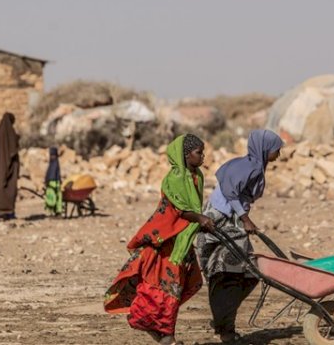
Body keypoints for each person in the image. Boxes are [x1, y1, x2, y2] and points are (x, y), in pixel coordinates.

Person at [104, 134, 216, 345]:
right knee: (166, 290)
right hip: (165, 242)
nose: (203, 157)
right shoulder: (173, 179)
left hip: (182, 241)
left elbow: (192, 209)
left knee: (179, 287)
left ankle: (164, 336)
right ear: (185, 155)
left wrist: (199, 224)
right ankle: (166, 336)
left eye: (203, 152)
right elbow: (180, 210)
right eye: (198, 152)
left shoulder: (197, 176)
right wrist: (200, 219)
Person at [195, 129, 283, 343]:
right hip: (223, 219)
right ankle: (224, 327)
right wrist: (245, 219)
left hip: (223, 217)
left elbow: (223, 177)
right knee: (240, 272)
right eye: (276, 150)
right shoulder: (250, 167)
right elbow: (230, 191)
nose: (278, 155)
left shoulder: (245, 164)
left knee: (231, 273)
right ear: (264, 149)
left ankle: (223, 323)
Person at [44, 146, 63, 216]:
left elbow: (53, 174)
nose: (52, 157)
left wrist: (49, 181)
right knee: (51, 198)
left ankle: (58, 212)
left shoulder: (55, 163)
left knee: (55, 198)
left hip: (54, 183)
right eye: (51, 155)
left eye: (53, 155)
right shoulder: (52, 163)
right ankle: (53, 212)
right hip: (51, 183)